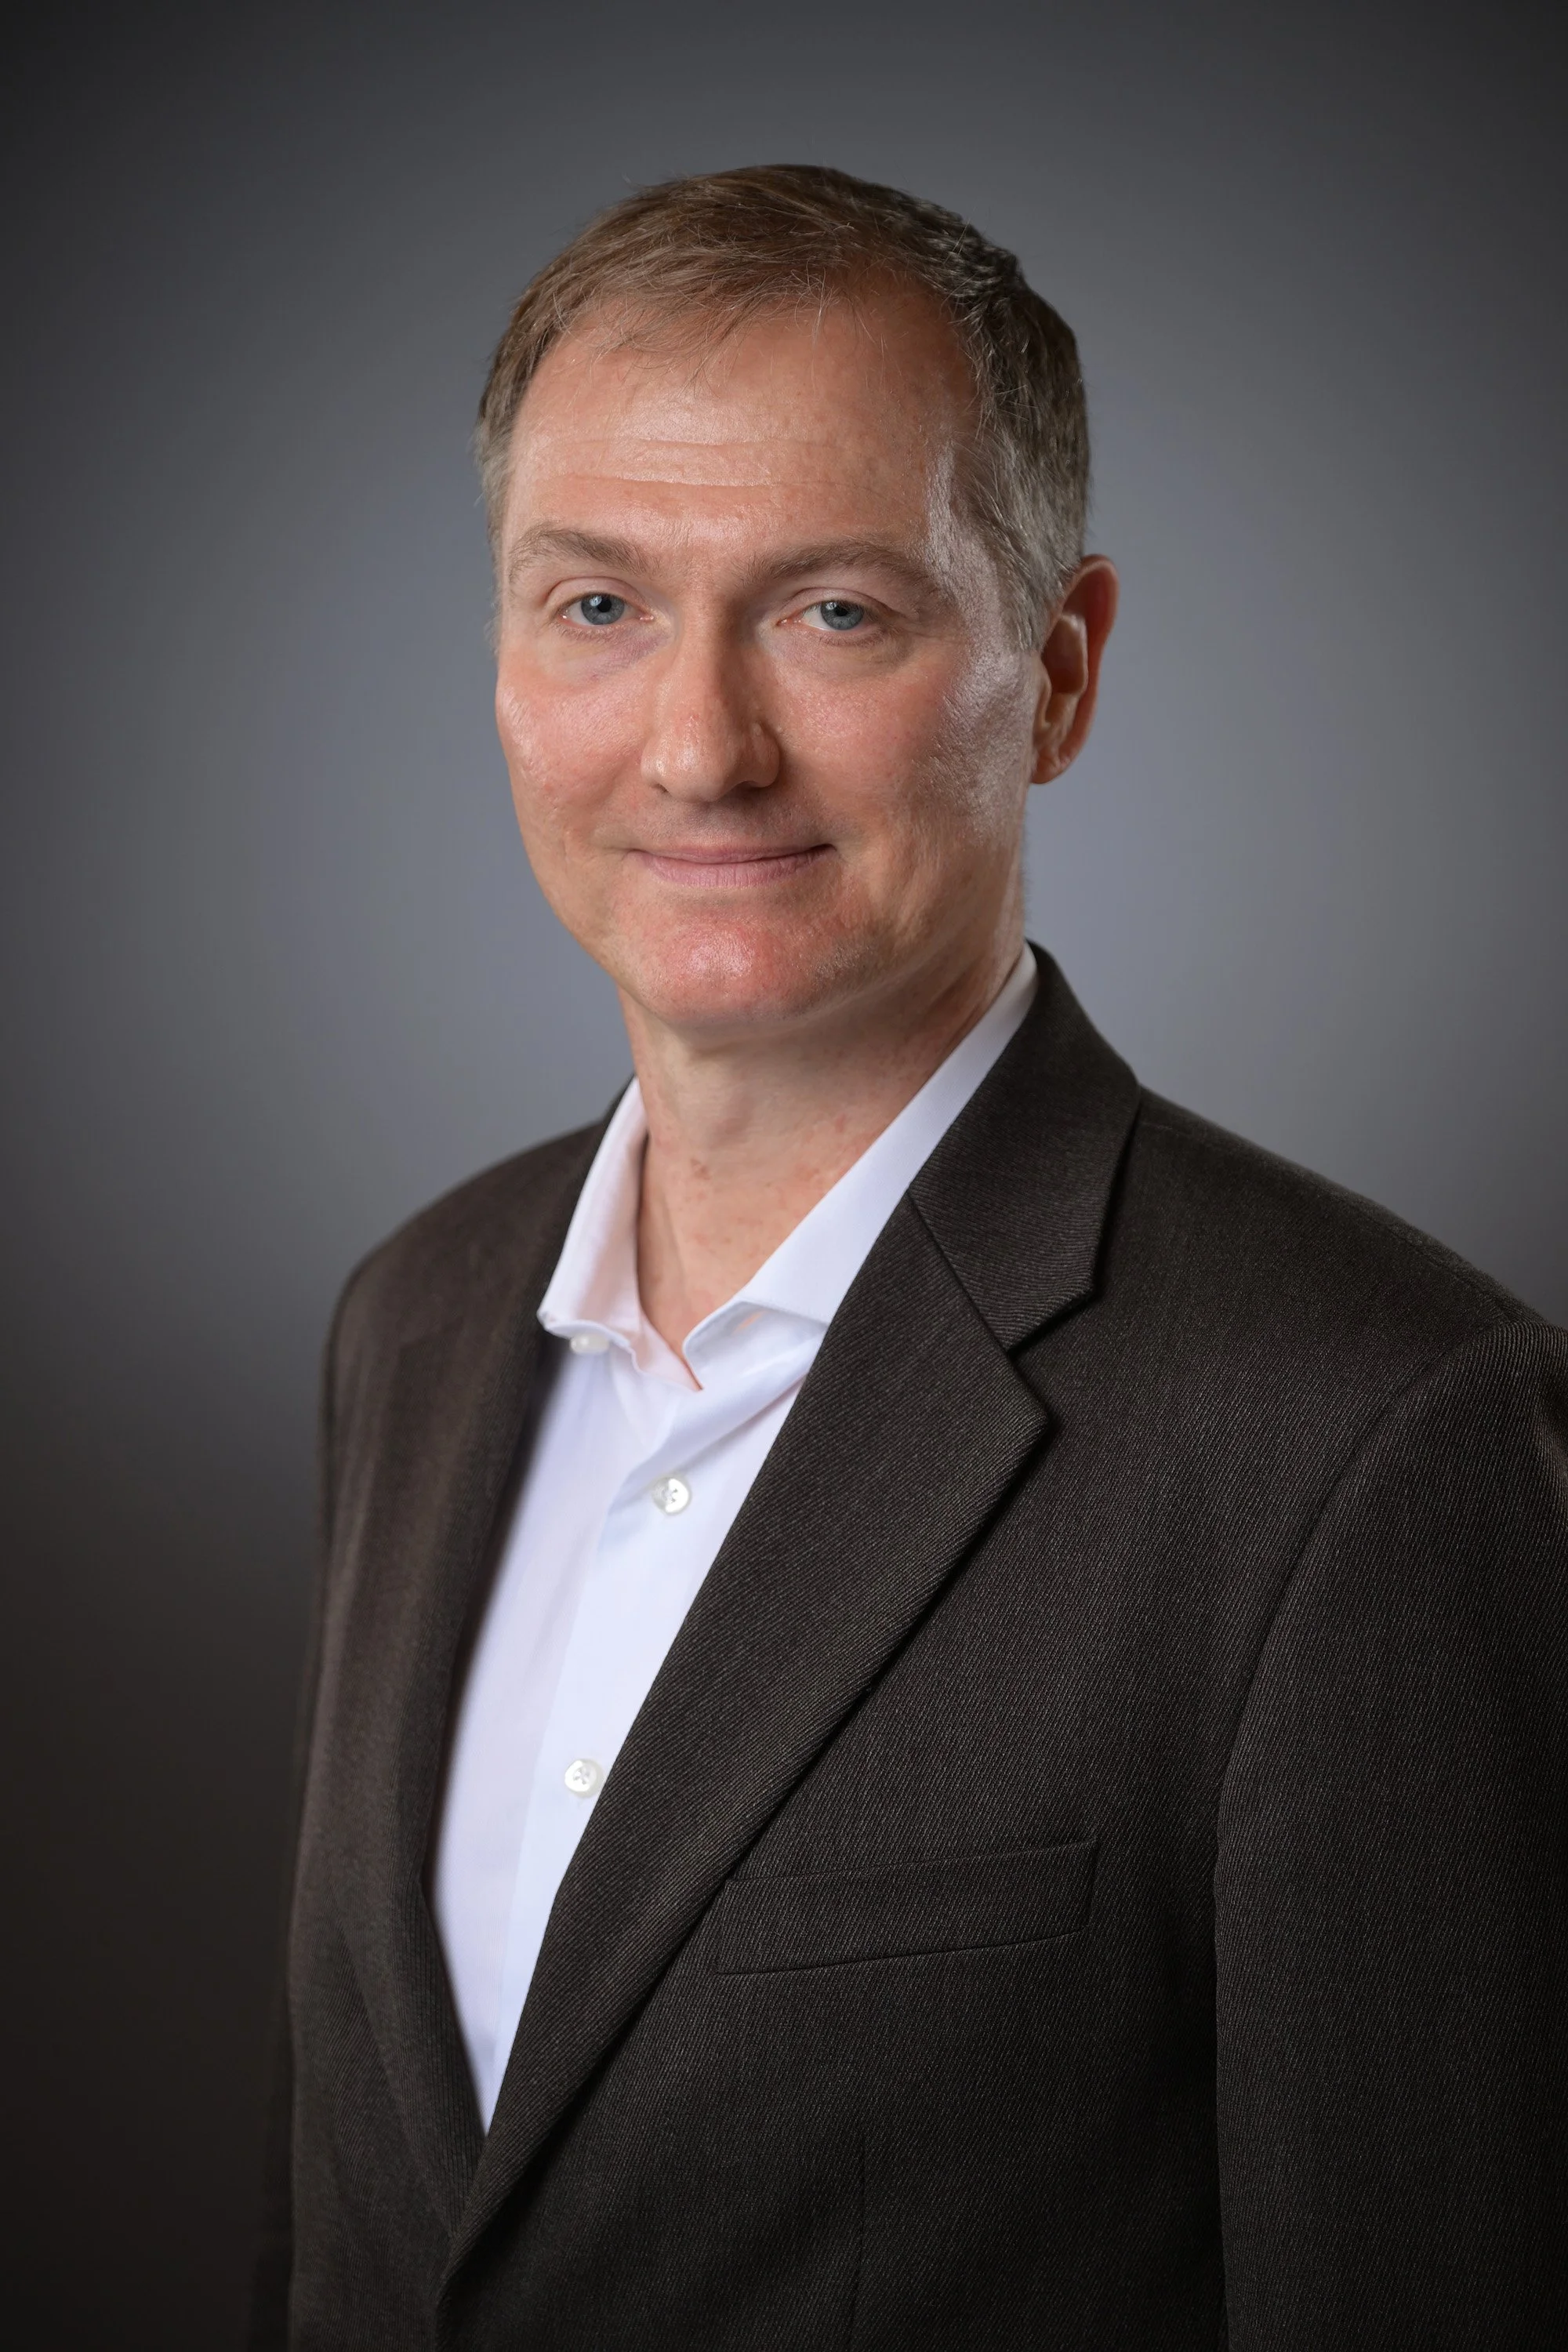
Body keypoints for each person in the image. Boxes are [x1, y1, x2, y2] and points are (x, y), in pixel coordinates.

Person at [250, 165, 1568, 2350]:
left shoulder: (1368, 1443)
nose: (697, 746)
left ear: (1056, 675)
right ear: (498, 653)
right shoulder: (414, 1318)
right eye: (596, 607)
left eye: (834, 611)